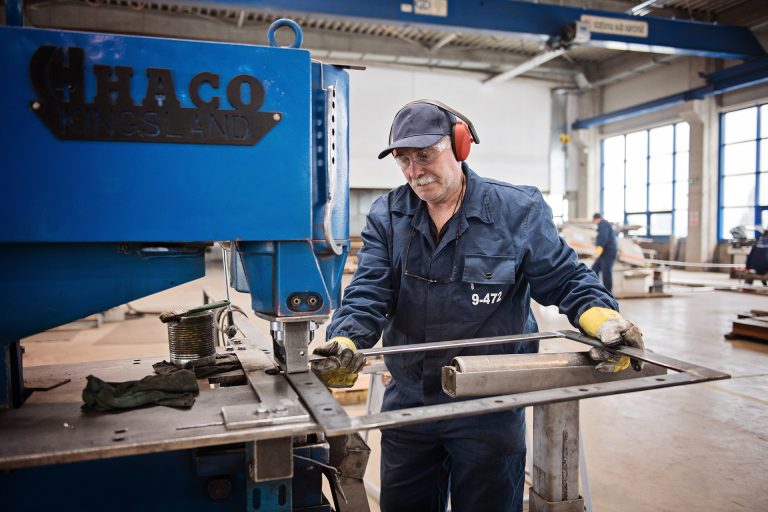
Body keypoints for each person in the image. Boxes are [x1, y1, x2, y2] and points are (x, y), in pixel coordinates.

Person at [311, 100, 644, 512]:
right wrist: (345, 338)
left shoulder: (517, 211)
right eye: (404, 160)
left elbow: (566, 279)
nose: (415, 172)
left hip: (489, 404)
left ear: (461, 145)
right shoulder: (388, 215)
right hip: (410, 400)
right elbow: (369, 292)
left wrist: (605, 321)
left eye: (426, 156)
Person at [591, 212, 618, 292]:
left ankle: (608, 292)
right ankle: (595, 289)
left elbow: (603, 237)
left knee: (606, 272)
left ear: (596, 219)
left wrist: (598, 249)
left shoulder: (603, 224)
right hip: (604, 253)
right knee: (594, 269)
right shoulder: (604, 224)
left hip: (608, 252)